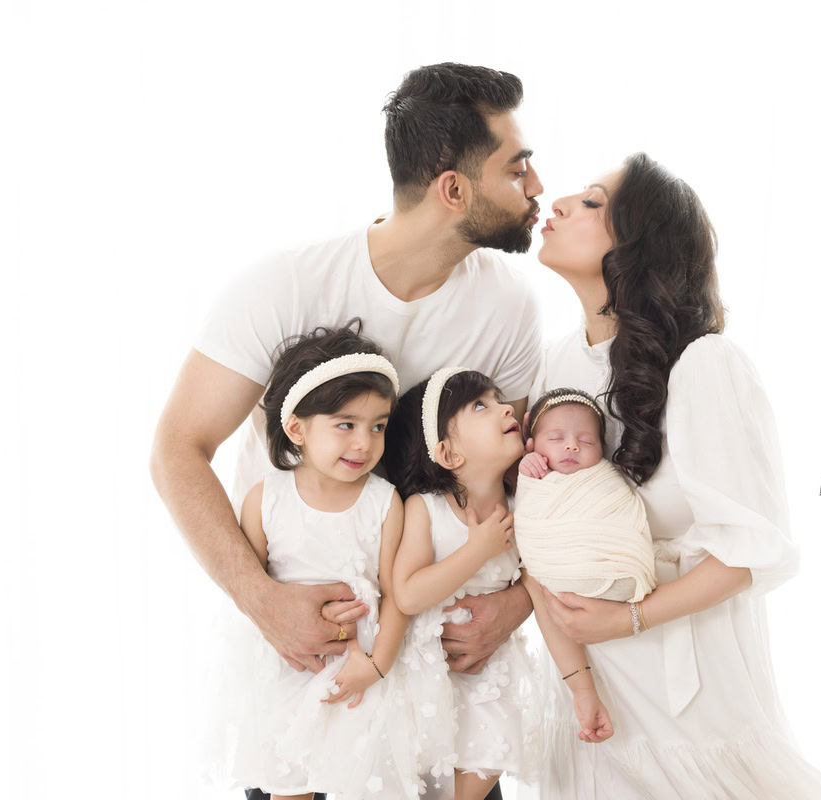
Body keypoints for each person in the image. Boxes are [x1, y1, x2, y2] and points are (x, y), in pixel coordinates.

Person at [150, 62, 544, 800]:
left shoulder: (509, 311)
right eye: (518, 168)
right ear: (453, 190)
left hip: (437, 664)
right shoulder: (285, 286)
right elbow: (178, 447)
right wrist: (261, 602)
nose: (537, 187)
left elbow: (521, 479)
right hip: (307, 655)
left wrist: (516, 604)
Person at [527, 152, 821, 798]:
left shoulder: (706, 366)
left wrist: (625, 620)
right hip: (589, 686)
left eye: (593, 203)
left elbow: (748, 553)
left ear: (640, 247)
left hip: (686, 687)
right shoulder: (557, 361)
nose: (559, 203)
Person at [203, 322, 442, 798]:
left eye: (378, 427)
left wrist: (377, 665)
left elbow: (398, 594)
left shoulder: (384, 502)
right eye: (345, 425)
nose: (364, 443)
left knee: (364, 777)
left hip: (361, 671)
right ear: (297, 428)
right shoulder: (264, 500)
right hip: (288, 668)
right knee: (287, 779)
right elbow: (250, 587)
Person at [382, 368, 562, 799]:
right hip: (427, 675)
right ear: (447, 454)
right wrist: (477, 550)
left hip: (492, 673)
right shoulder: (426, 509)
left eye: (499, 399)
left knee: (485, 762)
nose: (504, 407)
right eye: (480, 405)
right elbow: (407, 593)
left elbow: (542, 583)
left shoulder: (525, 506)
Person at [515, 387, 656, 602]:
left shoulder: (603, 477)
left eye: (587, 441)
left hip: (621, 568)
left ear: (602, 450)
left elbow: (623, 510)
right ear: (532, 444)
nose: (572, 446)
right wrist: (527, 465)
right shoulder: (537, 474)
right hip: (560, 571)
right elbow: (526, 506)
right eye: (555, 438)